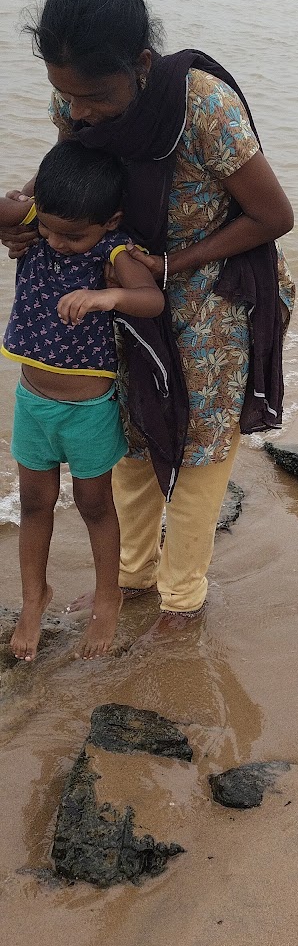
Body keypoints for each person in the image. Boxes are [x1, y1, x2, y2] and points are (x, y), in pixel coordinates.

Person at [2, 0, 295, 628]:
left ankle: (183, 597)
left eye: (95, 98)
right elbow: (72, 178)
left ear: (140, 64)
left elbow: (272, 216)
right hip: (124, 278)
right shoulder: (74, 99)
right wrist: (32, 220)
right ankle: (133, 574)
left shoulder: (203, 108)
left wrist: (175, 264)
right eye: (66, 94)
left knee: (198, 447)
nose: (80, 111)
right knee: (129, 431)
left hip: (214, 291)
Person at [0, 141, 165, 661]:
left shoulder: (110, 249)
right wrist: (27, 196)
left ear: (109, 220)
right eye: (48, 228)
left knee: (95, 506)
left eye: (73, 235)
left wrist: (107, 295)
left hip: (89, 409)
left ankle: (110, 596)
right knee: (33, 504)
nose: (57, 241)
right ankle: (34, 598)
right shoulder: (39, 222)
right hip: (33, 401)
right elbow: (21, 213)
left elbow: (152, 298)